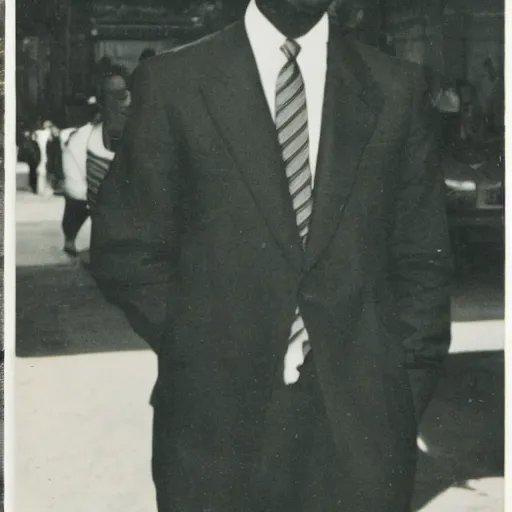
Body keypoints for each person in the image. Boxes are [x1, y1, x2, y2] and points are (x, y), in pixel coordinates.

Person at [90, 0, 453, 510]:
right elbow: (125, 248)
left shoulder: (396, 87)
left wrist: (397, 393)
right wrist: (201, 350)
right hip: (212, 432)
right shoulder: (174, 82)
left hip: (360, 434)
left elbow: (423, 260)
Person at [61, 64, 131, 255]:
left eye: (128, 95)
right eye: (118, 97)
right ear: (101, 104)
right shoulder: (79, 144)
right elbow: (77, 204)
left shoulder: (154, 137)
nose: (127, 104)